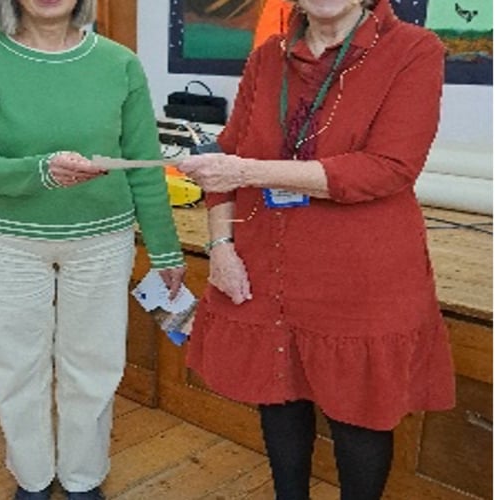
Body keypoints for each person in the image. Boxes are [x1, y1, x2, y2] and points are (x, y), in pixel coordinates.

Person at [177, 0, 455, 499]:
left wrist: (248, 172)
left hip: (360, 273)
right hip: (267, 260)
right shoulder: (268, 56)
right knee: (278, 397)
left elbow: (388, 167)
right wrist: (220, 244)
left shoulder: (414, 50)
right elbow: (227, 152)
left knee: (360, 417)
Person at [0, 1, 186, 498]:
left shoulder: (119, 63)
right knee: (19, 365)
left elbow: (143, 163)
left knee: (94, 363)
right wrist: (41, 171)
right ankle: (32, 478)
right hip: (6, 239)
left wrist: (164, 249)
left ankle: (83, 478)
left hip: (102, 238)